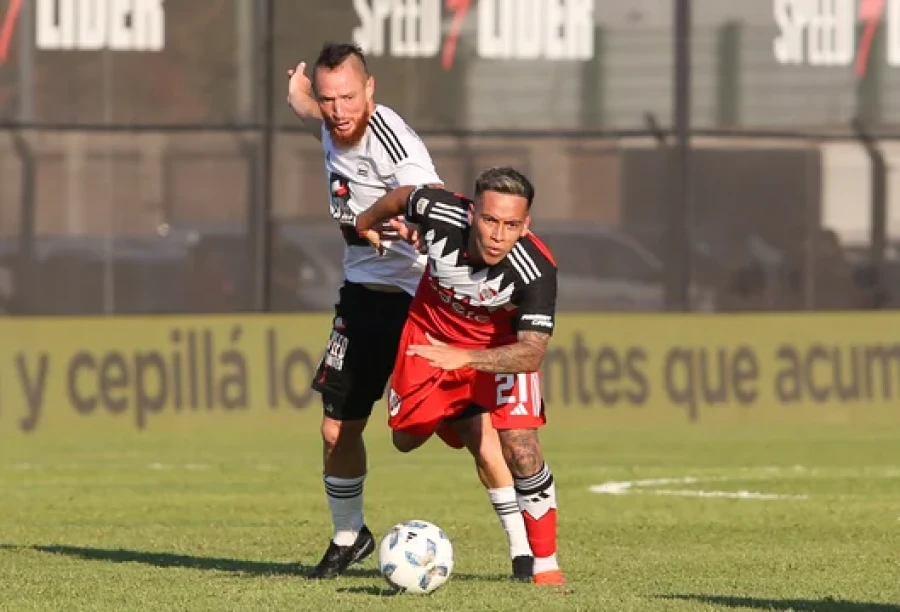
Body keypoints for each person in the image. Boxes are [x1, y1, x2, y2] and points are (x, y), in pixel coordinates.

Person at [286, 43, 533, 580]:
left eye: (349, 96)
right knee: (335, 431)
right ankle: (349, 537)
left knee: (472, 428)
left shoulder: (388, 133)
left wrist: (413, 219)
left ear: (371, 90)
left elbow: (427, 187)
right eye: (328, 98)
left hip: (424, 302)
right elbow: (312, 115)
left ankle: (522, 550)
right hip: (362, 297)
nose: (338, 109)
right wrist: (298, 95)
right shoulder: (329, 120)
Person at [356, 167, 565, 586]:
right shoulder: (440, 213)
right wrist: (365, 223)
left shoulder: (536, 271)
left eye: (510, 225)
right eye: (490, 220)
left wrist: (465, 358)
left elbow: (530, 354)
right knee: (405, 439)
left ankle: (541, 564)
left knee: (521, 448)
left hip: (500, 349)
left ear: (526, 226)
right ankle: (461, 415)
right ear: (472, 215)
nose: (497, 235)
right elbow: (401, 196)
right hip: (429, 338)